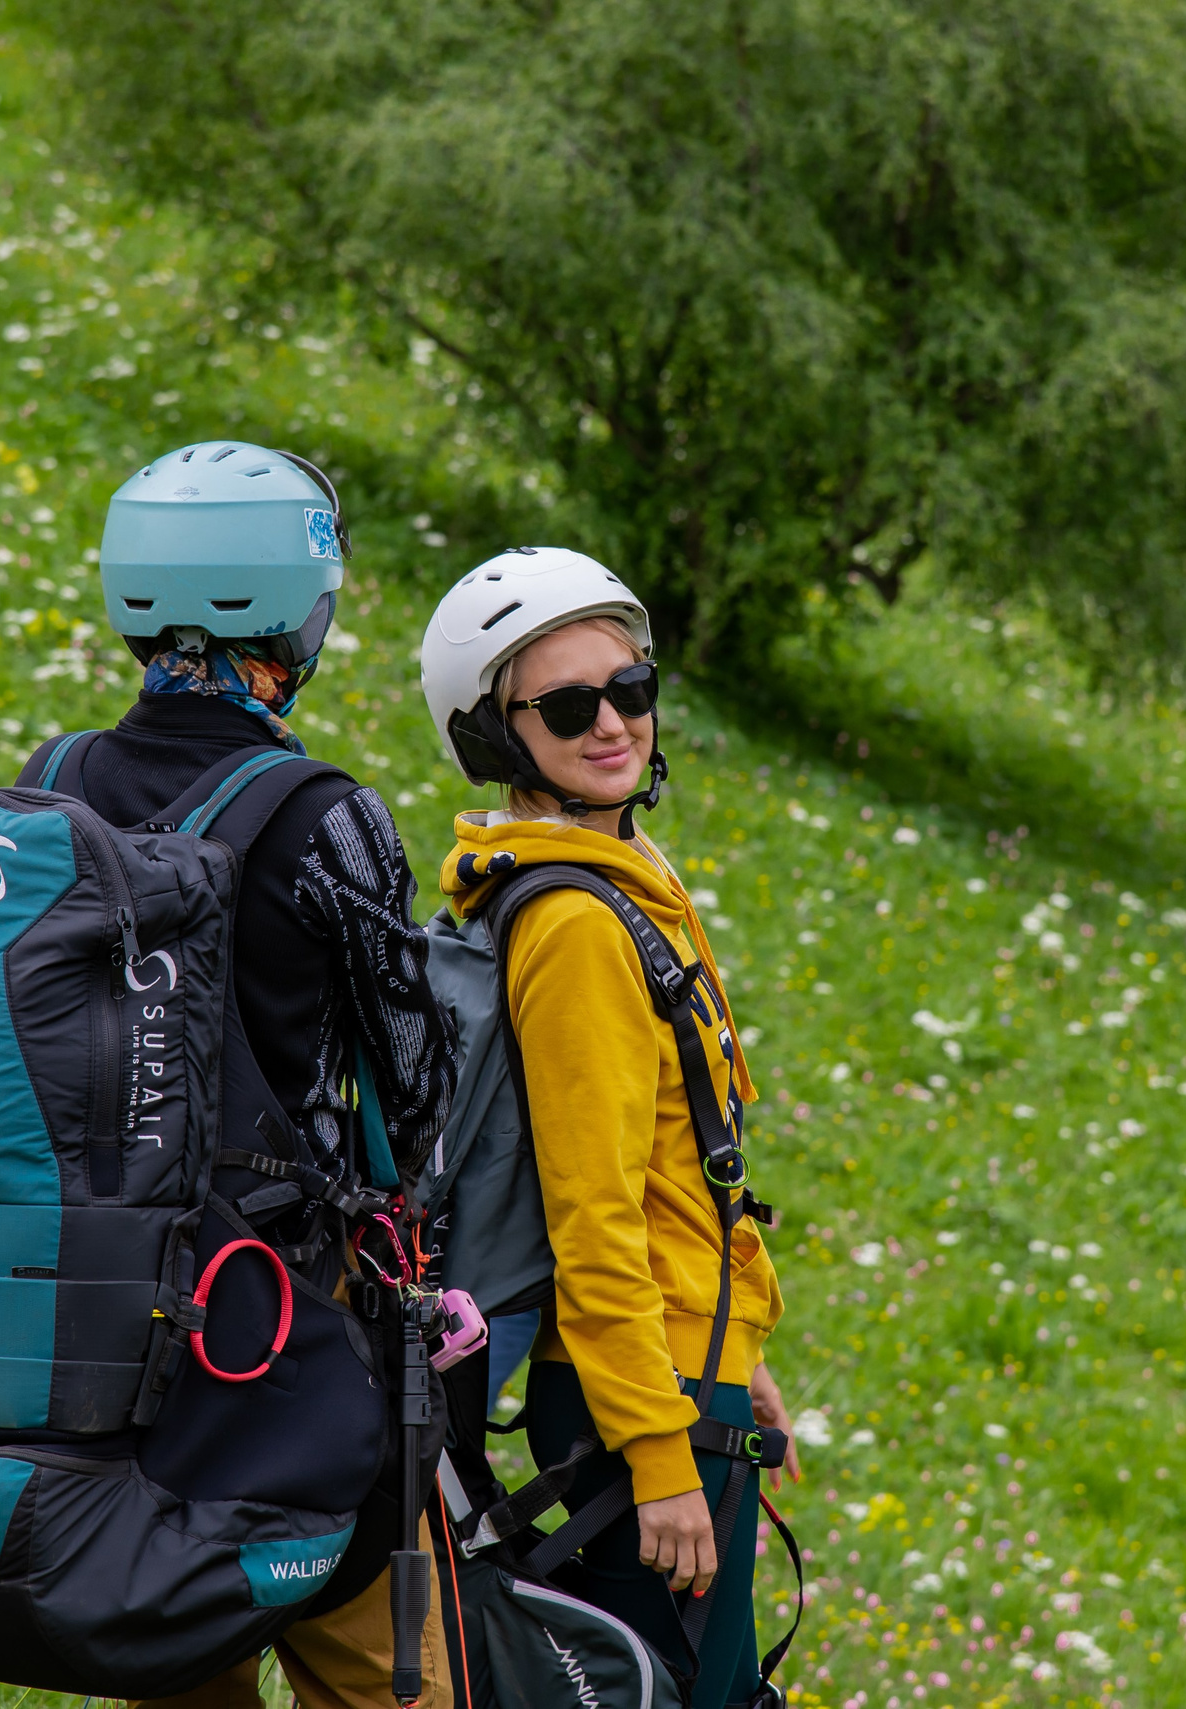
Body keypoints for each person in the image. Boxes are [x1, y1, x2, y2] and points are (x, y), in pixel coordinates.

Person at [30, 440, 458, 1709]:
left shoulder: (47, 786)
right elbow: (414, 1080)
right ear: (294, 612)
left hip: (90, 1321)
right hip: (272, 1326)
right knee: (387, 1669)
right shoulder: (322, 812)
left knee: (178, 1652)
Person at [421, 548, 799, 1709]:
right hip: (643, 1393)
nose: (612, 724)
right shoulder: (579, 924)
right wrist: (659, 1455)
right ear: (496, 735)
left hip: (688, 1365)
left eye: (628, 687)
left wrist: (744, 1355)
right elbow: (595, 1213)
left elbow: (681, 1168)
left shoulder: (621, 872)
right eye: (569, 705)